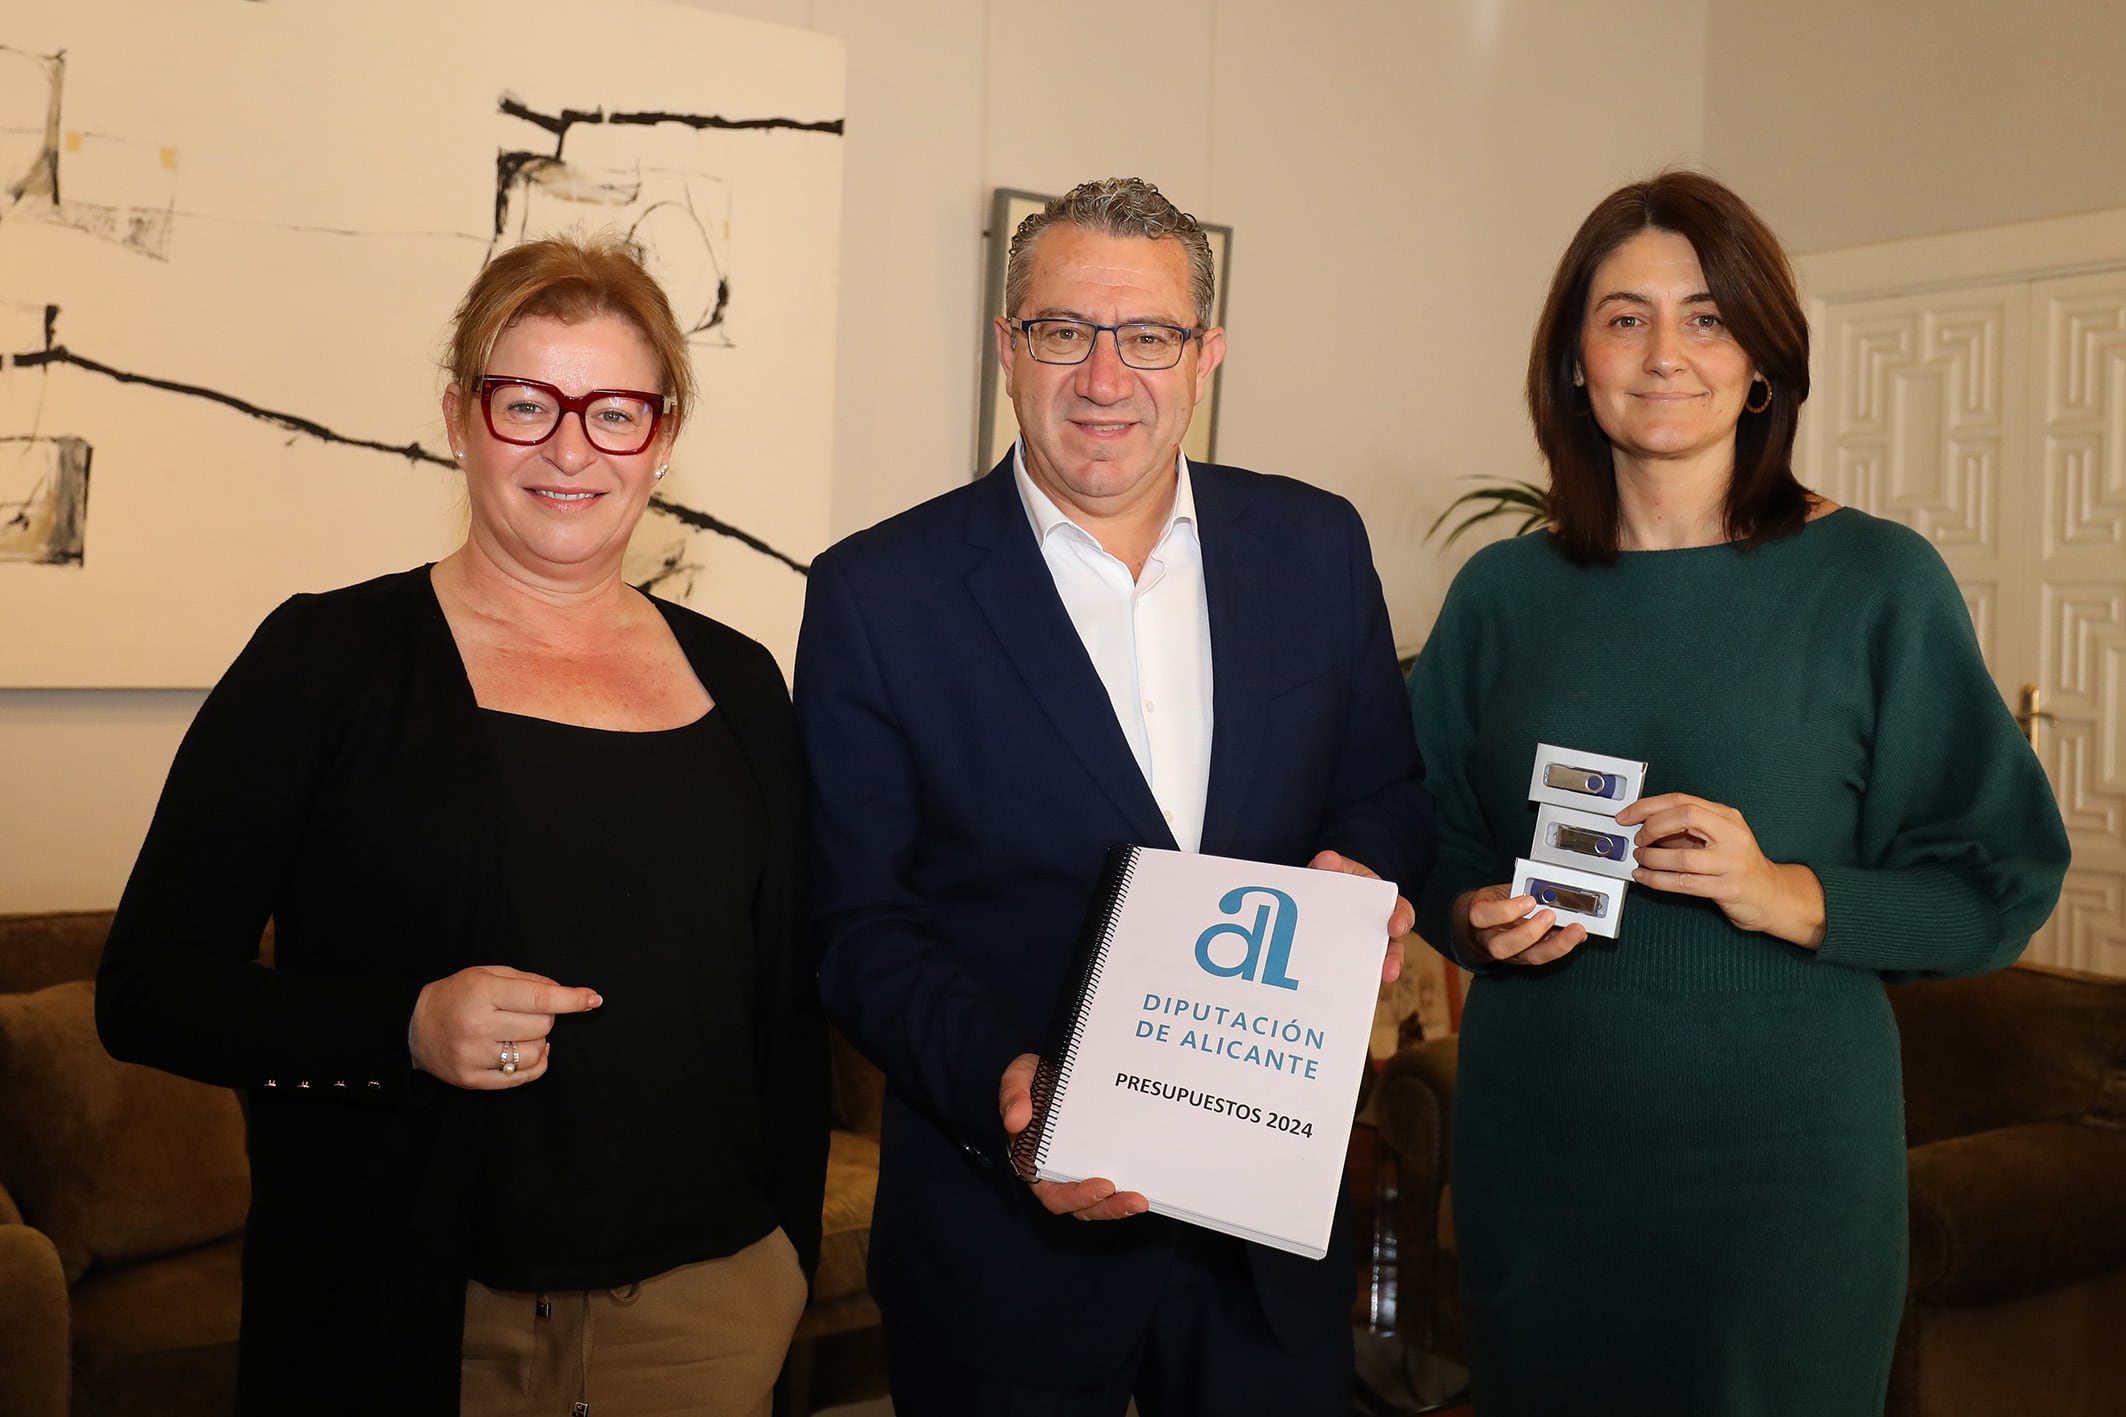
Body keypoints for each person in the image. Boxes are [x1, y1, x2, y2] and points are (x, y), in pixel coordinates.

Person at [96, 234, 826, 1417]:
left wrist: (785, 1253)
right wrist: (400, 1027)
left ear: (664, 436)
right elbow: (146, 989)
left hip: (711, 1312)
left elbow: (786, 1000)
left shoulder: (740, 682)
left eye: (614, 411)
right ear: (457, 416)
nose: (570, 448)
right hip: (416, 1308)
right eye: (526, 402)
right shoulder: (323, 661)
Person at [1405, 171, 2071, 1416]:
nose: (1665, 352)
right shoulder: (1503, 594)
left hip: (1781, 1174)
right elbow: (1420, 823)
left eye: (1706, 316)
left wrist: (1788, 894)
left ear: (1763, 360)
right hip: (1538, 1160)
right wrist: (1466, 911)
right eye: (1623, 316)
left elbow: (1997, 878)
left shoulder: (1874, 580)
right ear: (1571, 362)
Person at [793, 177, 1435, 1416]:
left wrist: (1357, 869)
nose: (1103, 377)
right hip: (1005, 1249)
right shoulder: (879, 594)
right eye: (1060, 332)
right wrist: (1007, 1092)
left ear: (1204, 355)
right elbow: (854, 921)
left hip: (1266, 1246)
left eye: (1145, 336)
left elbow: (1388, 793)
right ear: (1005, 346)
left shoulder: (1315, 545)